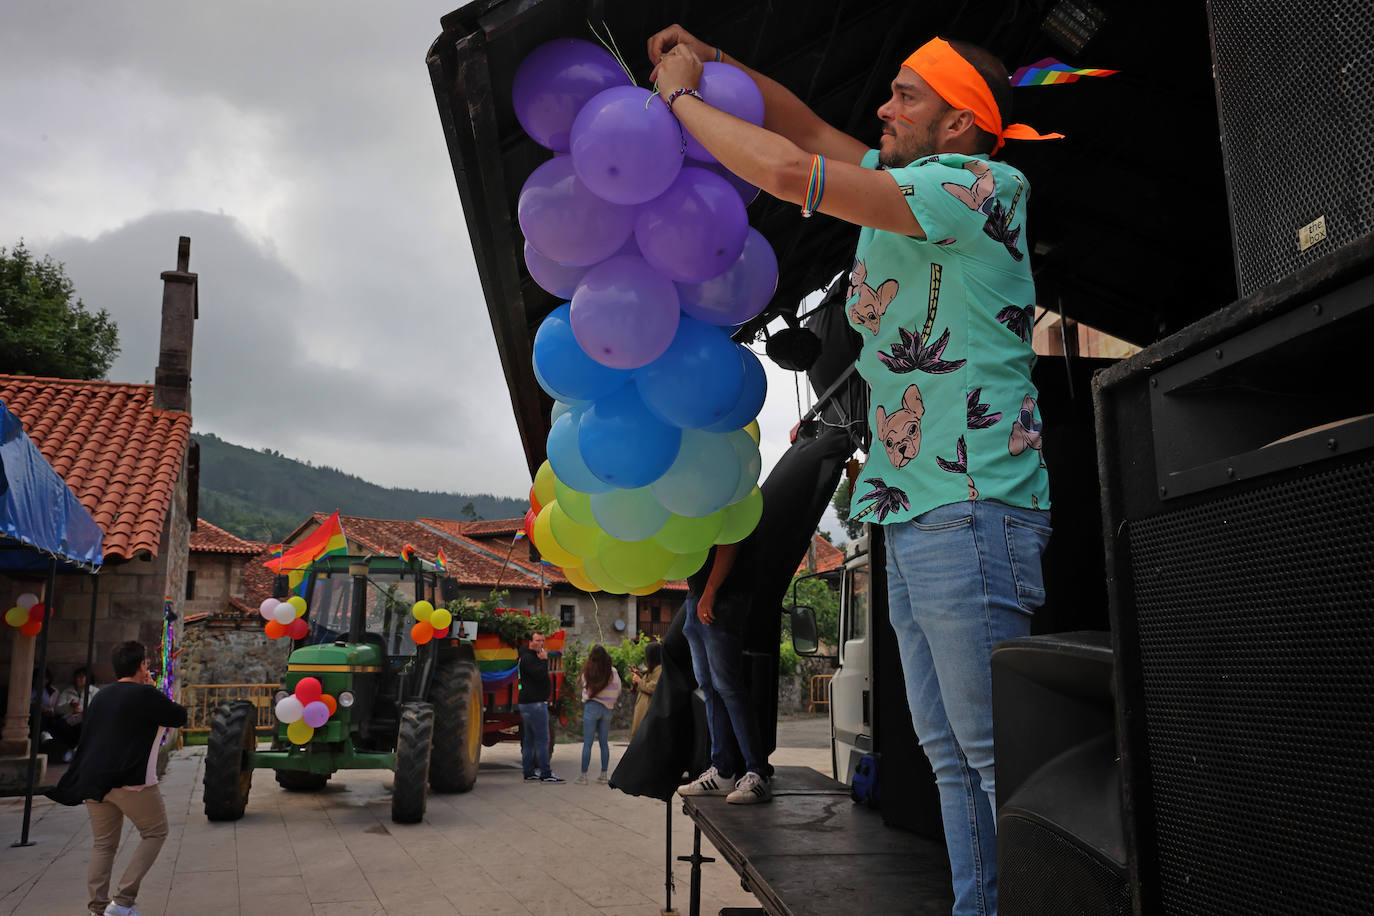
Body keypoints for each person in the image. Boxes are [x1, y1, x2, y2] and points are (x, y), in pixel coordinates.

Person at [649, 26, 1055, 915]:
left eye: (905, 95)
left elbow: (792, 173)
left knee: (990, 753)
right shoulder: (911, 183)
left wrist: (682, 99)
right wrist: (721, 63)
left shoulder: (976, 184)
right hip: (919, 508)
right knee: (949, 754)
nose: (883, 106)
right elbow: (800, 130)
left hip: (971, 502)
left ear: (958, 125)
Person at [47, 641, 187, 916]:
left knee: (103, 845)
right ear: (142, 665)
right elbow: (178, 716)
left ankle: (97, 907)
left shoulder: (101, 696)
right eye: (146, 664)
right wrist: (151, 689)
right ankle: (123, 901)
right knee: (155, 832)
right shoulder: (145, 694)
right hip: (131, 781)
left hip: (94, 781)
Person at [677, 542, 772, 804]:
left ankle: (757, 773)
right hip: (696, 597)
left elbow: (731, 539)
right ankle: (723, 771)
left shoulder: (726, 500)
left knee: (727, 686)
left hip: (722, 596)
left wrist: (711, 590)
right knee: (708, 687)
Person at [517, 630, 563, 783]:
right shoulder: (528, 658)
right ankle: (546, 773)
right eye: (537, 640)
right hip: (534, 704)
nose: (541, 644)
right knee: (542, 740)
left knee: (529, 740)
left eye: (543, 641)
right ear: (530, 642)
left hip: (529, 704)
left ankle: (529, 772)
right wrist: (544, 661)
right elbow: (539, 675)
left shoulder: (529, 656)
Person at [576, 644, 620, 784]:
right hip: (607, 709)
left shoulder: (587, 671)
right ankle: (604, 774)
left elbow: (584, 687)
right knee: (604, 743)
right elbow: (618, 689)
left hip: (591, 707)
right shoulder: (612, 672)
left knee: (587, 743)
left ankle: (583, 776)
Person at [53, 667, 100, 760]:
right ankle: (72, 748)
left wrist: (83, 711)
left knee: (84, 725)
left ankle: (78, 749)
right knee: (59, 726)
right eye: (77, 677)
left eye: (82, 677)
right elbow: (57, 708)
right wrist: (70, 707)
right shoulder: (67, 691)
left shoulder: (95, 691)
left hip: (86, 720)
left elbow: (98, 708)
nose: (79, 679)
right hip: (69, 720)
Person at [629, 641, 663, 740]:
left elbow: (652, 688)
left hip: (648, 711)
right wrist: (639, 676)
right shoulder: (655, 669)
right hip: (644, 710)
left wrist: (639, 681)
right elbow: (648, 683)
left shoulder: (660, 670)